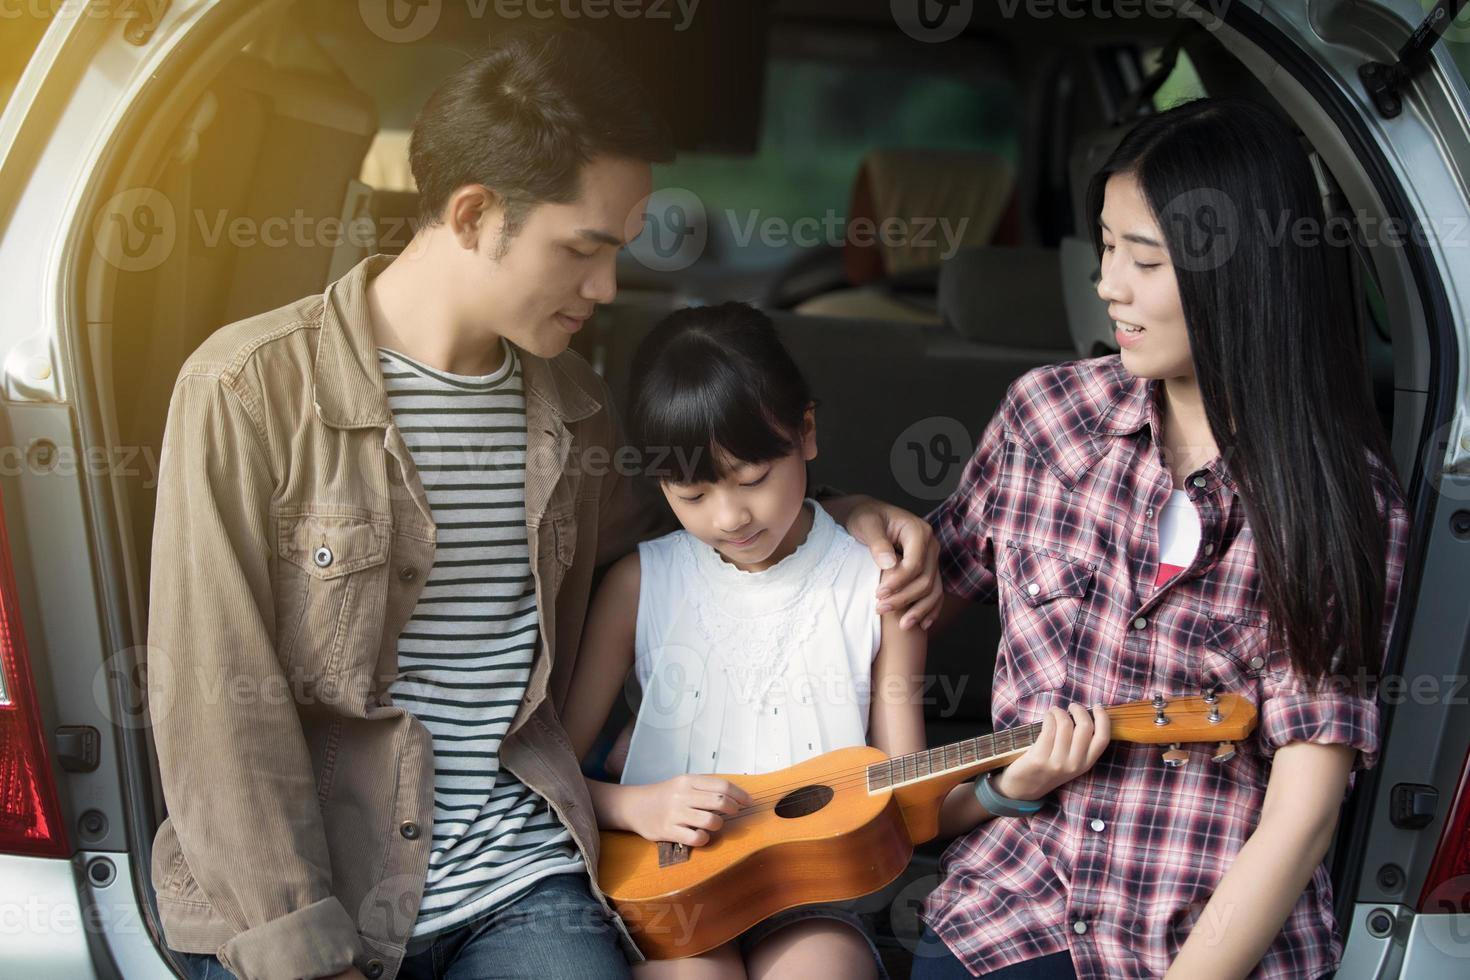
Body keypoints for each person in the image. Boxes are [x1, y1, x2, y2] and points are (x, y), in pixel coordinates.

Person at [148, 29, 942, 980]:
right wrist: (302, 949)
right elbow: (212, 701)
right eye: (584, 250)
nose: (607, 290)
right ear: (476, 214)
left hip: (519, 882)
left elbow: (712, 537)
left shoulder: (579, 412)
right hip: (314, 889)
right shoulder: (248, 391)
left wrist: (849, 509)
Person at [911, 98, 1412, 980]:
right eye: (1106, 246)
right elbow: (903, 598)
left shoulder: (1341, 505)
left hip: (1201, 942)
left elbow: (1304, 815)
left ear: (1242, 272)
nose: (1110, 285)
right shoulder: (1047, 418)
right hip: (1009, 916)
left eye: (1144, 258)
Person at [563, 304, 982, 978]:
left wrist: (1008, 786)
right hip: (668, 881)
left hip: (813, 897)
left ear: (807, 432)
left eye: (753, 480)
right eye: (691, 493)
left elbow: (910, 794)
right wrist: (632, 805)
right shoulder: (641, 583)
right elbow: (550, 772)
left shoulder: (877, 585)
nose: (729, 516)